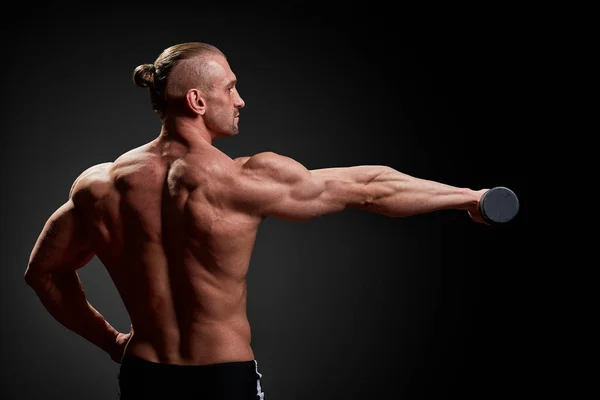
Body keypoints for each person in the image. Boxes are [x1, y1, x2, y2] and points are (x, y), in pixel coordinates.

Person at [23, 42, 488, 399]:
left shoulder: (100, 187)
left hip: (145, 376)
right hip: (223, 380)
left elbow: (44, 273)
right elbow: (369, 187)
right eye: (230, 88)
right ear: (197, 101)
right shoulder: (239, 179)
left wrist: (111, 343)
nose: (240, 100)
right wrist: (471, 197)